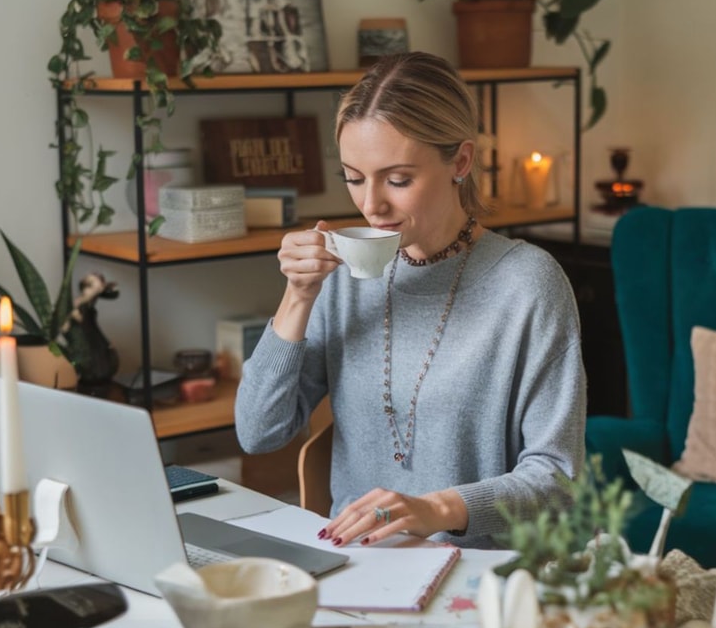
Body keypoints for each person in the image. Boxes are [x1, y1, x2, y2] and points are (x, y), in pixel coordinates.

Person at [234, 51, 586, 549]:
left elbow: (558, 480)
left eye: (398, 180)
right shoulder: (343, 276)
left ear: (460, 162)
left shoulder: (527, 284)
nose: (371, 205)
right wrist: (297, 295)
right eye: (354, 178)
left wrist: (437, 510)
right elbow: (258, 432)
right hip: (359, 564)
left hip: (481, 572)